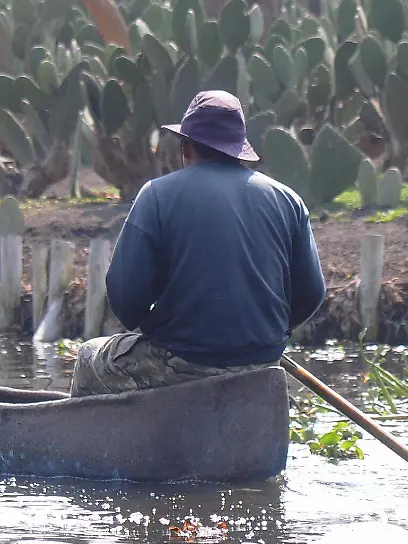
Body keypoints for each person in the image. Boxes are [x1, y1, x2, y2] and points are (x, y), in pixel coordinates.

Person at [72, 90, 325, 395]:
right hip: (261, 365)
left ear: (186, 148)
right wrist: (267, 336)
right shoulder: (289, 200)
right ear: (239, 150)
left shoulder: (156, 194)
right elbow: (311, 294)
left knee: (88, 358)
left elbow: (125, 293)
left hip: (178, 361)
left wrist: (154, 327)